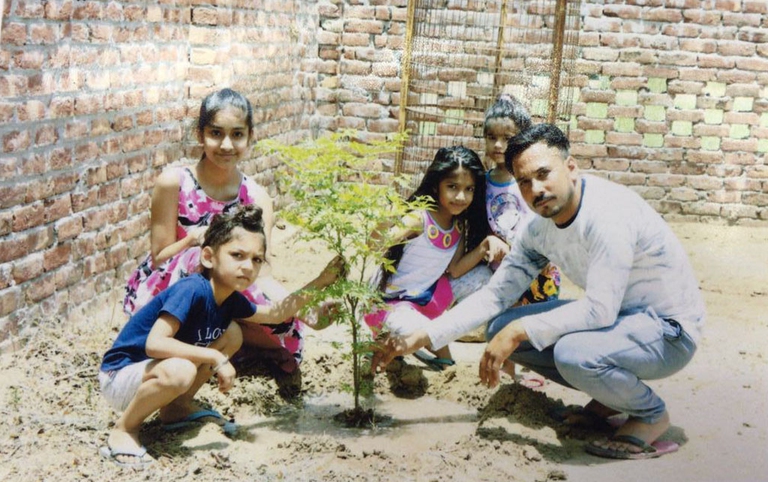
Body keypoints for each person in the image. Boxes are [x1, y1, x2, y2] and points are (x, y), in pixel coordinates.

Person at [372, 123, 705, 460]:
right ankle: (609, 398)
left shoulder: (607, 215)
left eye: (544, 174)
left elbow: (600, 310)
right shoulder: (539, 229)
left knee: (572, 353)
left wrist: (520, 330)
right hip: (619, 321)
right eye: (524, 182)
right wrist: (422, 336)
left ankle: (650, 415)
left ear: (571, 168)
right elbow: (496, 296)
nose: (536, 189)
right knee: (500, 325)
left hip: (667, 332)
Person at [123, 88, 324, 381]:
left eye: (237, 134)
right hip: (174, 288)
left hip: (232, 290)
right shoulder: (173, 182)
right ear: (200, 134)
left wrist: (303, 306)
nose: (226, 145)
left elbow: (260, 270)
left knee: (271, 310)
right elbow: (159, 259)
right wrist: (193, 239)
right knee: (202, 257)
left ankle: (248, 348)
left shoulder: (256, 196)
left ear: (249, 136)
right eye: (216, 133)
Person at [99, 206, 263, 468]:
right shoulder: (192, 289)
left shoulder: (229, 298)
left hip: (148, 373)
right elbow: (155, 344)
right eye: (237, 255)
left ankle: (176, 409)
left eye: (257, 259)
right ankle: (124, 430)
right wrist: (214, 356)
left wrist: (317, 292)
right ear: (208, 257)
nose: (248, 266)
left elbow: (274, 315)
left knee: (232, 333)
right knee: (181, 370)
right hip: (120, 375)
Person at [364, 145, 503, 368]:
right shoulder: (419, 218)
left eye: (469, 189)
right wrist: (385, 217)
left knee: (485, 277)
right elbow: (373, 246)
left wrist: (486, 245)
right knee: (419, 331)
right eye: (452, 187)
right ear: (436, 185)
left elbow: (456, 270)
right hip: (392, 304)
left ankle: (424, 338)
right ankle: (388, 339)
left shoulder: (458, 225)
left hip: (425, 296)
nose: (461, 196)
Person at [480, 94, 561, 387]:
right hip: (503, 268)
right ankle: (507, 375)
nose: (498, 145)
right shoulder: (484, 181)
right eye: (491, 137)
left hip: (537, 269)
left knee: (533, 323)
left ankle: (539, 372)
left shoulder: (527, 179)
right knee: (506, 317)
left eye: (507, 138)